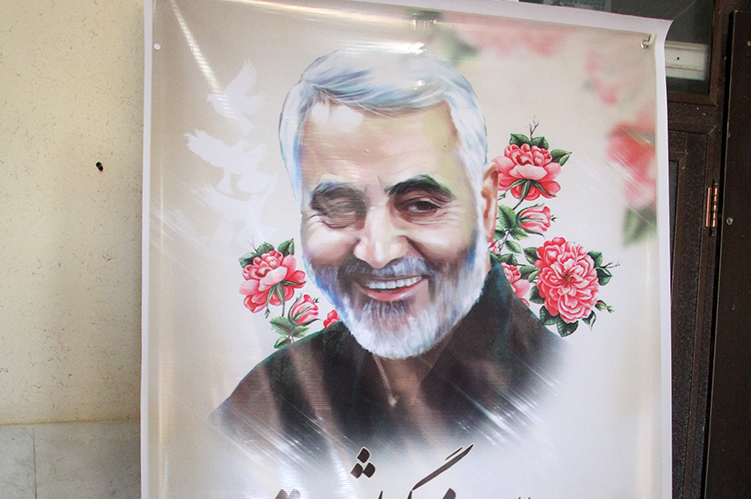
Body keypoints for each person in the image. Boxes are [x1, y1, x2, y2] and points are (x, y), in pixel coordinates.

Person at [216, 47, 556, 453]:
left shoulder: (564, 395)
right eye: (338, 208)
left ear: (484, 206)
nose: (378, 253)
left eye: (421, 205)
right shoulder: (270, 400)